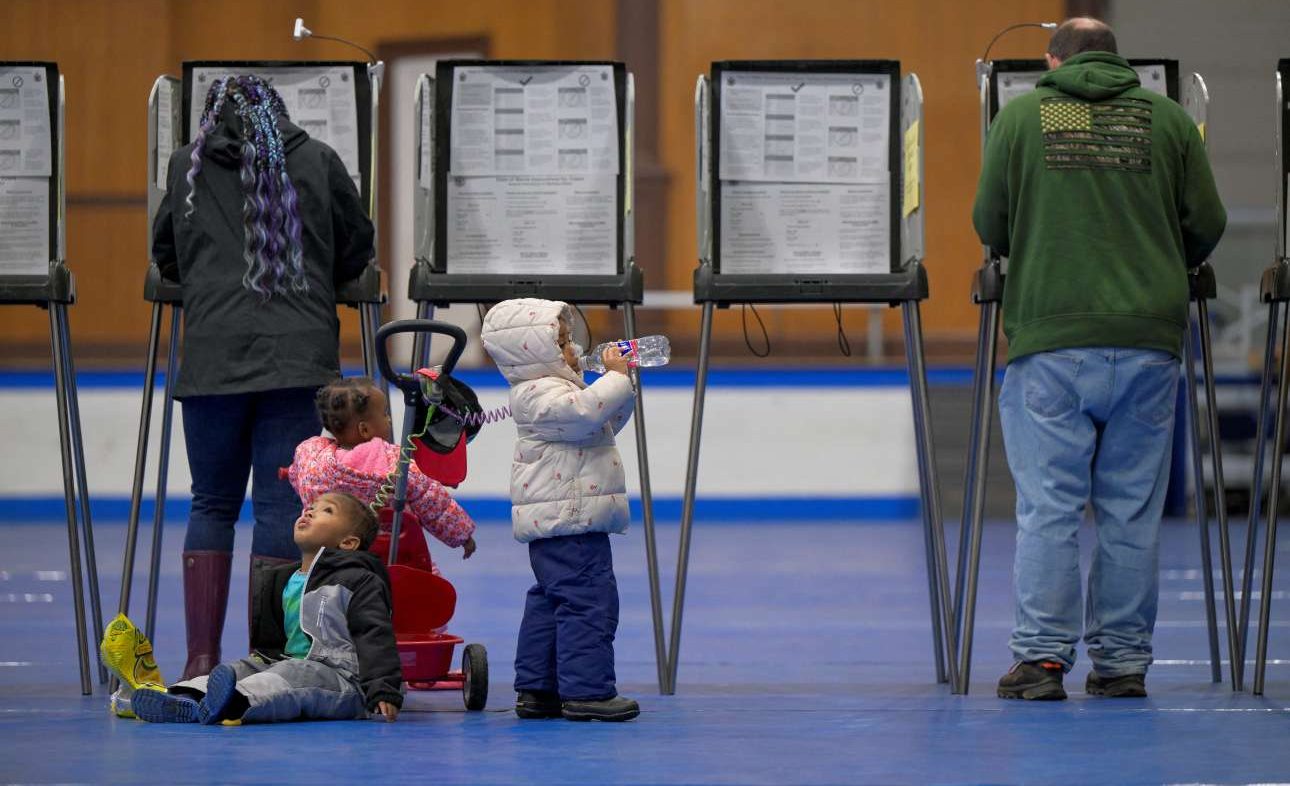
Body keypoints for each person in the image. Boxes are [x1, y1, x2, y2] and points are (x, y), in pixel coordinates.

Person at [972, 18, 1227, 700]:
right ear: (1121, 62)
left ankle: (1042, 662)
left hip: (1051, 341)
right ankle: (1121, 664)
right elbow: (1208, 222)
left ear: (1053, 60)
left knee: (1050, 508)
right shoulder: (1169, 120)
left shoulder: (1023, 117)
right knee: (1130, 511)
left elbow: (989, 223)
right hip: (1148, 341)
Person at [151, 75, 375, 680]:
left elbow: (165, 254)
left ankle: (200, 658)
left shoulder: (184, 168)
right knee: (281, 503)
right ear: (282, 115)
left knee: (212, 500)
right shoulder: (319, 160)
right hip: (298, 360)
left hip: (212, 362)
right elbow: (358, 247)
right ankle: (268, 657)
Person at [480, 299, 641, 722]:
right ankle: (587, 691)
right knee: (590, 600)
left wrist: (621, 387)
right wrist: (614, 379)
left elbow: (600, 423)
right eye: (564, 342)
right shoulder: (539, 393)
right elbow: (585, 412)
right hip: (570, 517)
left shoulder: (553, 390)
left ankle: (539, 688)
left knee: (552, 600)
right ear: (533, 352)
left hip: (564, 517)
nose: (574, 350)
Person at [130, 491, 402, 725]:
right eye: (311, 507)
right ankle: (183, 698)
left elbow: (374, 635)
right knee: (243, 668)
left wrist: (382, 690)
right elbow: (274, 647)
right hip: (287, 663)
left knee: (290, 675)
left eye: (326, 511)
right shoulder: (283, 578)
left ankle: (235, 701)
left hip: (343, 681)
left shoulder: (359, 581)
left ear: (348, 543)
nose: (309, 512)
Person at [288, 376, 478, 572]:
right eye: (384, 414)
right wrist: (462, 535)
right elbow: (433, 500)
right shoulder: (394, 461)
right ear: (365, 429)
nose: (388, 419)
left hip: (328, 561)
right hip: (390, 558)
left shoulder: (310, 456)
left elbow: (296, 475)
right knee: (428, 575)